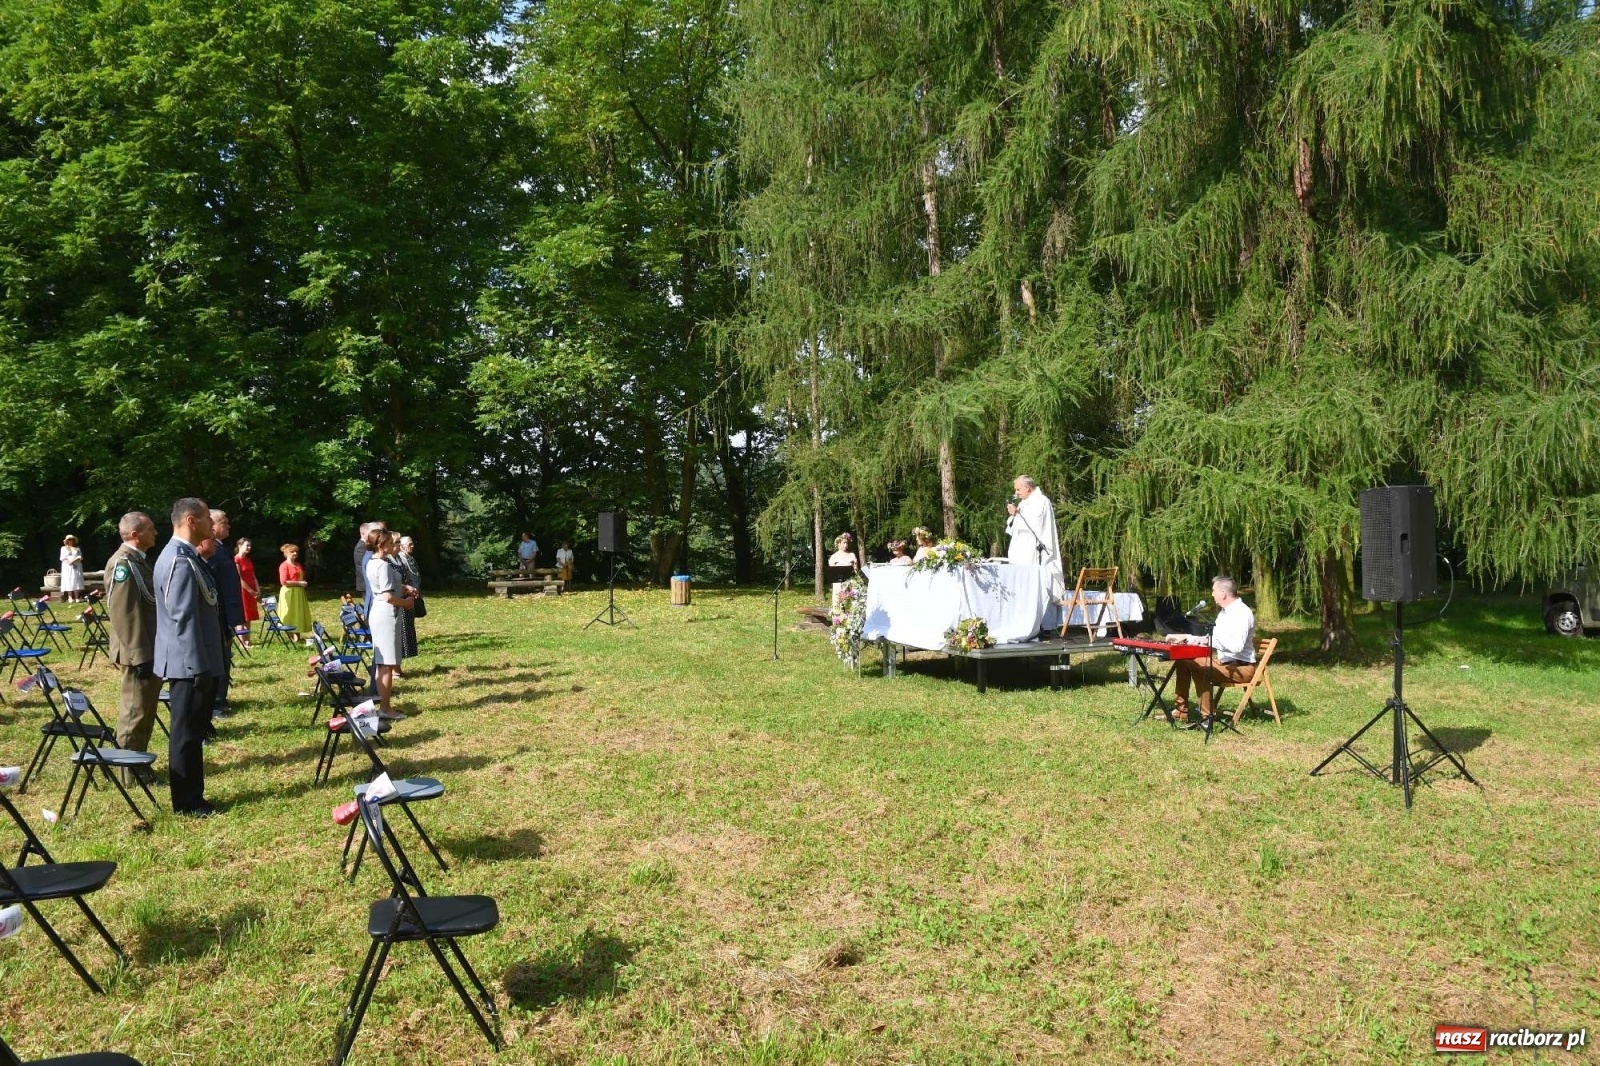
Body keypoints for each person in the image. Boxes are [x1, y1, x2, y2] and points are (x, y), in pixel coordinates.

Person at [153, 497, 225, 817]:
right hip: (188, 663)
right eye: (208, 518)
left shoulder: (186, 556)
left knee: (193, 733)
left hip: (193, 661)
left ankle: (194, 796)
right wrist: (199, 667)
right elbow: (183, 618)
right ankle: (187, 802)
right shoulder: (179, 560)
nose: (213, 524)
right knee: (185, 735)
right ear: (191, 521)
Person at [104, 512, 161, 775]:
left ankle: (138, 765)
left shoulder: (139, 561)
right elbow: (124, 613)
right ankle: (128, 772)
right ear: (136, 535)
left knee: (146, 709)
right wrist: (140, 656)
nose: (156, 533)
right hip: (137, 650)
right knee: (134, 712)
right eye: (150, 529)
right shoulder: (123, 564)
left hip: (148, 647)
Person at [1169, 575, 1257, 726]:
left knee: (1200, 666)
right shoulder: (1224, 613)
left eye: (1213, 590)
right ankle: (1180, 711)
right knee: (1184, 658)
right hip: (1226, 665)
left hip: (1242, 668)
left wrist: (1210, 641)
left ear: (1223, 593)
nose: (1212, 594)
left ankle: (1207, 718)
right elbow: (1211, 638)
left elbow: (1236, 646)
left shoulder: (1242, 613)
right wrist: (1187, 637)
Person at [364, 529, 416, 717]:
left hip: (378, 613)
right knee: (386, 663)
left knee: (381, 663)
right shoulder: (383, 565)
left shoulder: (373, 562)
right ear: (380, 545)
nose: (393, 546)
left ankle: (383, 705)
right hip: (386, 614)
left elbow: (383, 589)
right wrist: (407, 603)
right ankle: (385, 708)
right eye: (390, 543)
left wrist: (403, 588)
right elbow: (387, 596)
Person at [203, 509, 245, 721]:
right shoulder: (210, 552)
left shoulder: (220, 549)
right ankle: (217, 703)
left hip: (226, 614)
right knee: (220, 658)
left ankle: (221, 698)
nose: (228, 526)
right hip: (218, 615)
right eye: (224, 522)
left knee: (225, 657)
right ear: (213, 526)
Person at [1005, 475, 1064, 594]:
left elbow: (1034, 526)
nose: (1016, 492)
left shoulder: (1040, 501)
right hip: (1019, 551)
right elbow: (1014, 528)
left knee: (1030, 588)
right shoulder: (1024, 503)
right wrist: (1013, 515)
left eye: (1018, 489)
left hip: (1032, 550)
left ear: (1027, 488)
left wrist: (1016, 515)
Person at [394, 533, 420, 669]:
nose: (412, 546)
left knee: (406, 630)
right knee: (399, 635)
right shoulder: (398, 560)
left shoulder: (404, 558)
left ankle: (398, 667)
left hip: (409, 596)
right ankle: (395, 670)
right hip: (400, 600)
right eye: (409, 544)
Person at [277, 543, 313, 637]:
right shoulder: (284, 566)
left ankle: (297, 635)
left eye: (296, 551)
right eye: (292, 552)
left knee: (298, 613)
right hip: (289, 593)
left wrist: (302, 583)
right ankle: (290, 636)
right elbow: (283, 581)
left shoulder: (298, 564)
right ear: (286, 553)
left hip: (299, 592)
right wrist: (299, 583)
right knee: (290, 613)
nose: (295, 553)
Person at [235, 538, 260, 634]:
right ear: (240, 546)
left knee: (248, 616)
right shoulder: (236, 559)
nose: (249, 547)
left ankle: (248, 640)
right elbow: (239, 578)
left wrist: (257, 589)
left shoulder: (248, 559)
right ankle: (242, 642)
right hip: (243, 591)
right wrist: (251, 591)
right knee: (242, 616)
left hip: (252, 591)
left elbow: (253, 576)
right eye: (247, 545)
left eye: (250, 546)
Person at [59, 535, 85, 603]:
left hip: (77, 566)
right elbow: (62, 558)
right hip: (67, 566)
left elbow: (80, 557)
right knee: (68, 580)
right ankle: (70, 597)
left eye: (72, 539)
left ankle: (77, 597)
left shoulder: (77, 548)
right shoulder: (63, 548)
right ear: (67, 540)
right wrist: (70, 563)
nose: (71, 540)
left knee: (76, 580)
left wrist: (73, 562)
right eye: (69, 539)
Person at [353, 522, 371, 596]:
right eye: (370, 533)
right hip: (366, 585)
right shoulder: (360, 547)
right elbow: (363, 567)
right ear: (363, 533)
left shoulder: (366, 546)